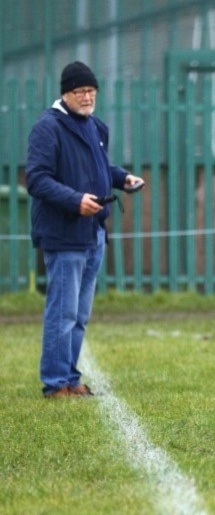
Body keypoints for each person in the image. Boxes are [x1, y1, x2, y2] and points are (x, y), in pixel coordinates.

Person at [25, 61, 144, 398]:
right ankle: (55, 383)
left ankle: (70, 378)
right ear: (66, 93)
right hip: (64, 234)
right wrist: (75, 201)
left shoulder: (93, 126)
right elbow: (36, 179)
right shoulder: (47, 127)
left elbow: (99, 166)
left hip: (93, 232)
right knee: (62, 313)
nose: (88, 97)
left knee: (79, 315)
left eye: (92, 91)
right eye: (81, 91)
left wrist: (123, 178)